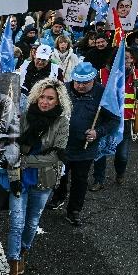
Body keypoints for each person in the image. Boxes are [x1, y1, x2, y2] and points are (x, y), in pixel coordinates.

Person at [4, 78, 69, 275]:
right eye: (42, 96)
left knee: (32, 223)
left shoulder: (62, 122)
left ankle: (23, 252)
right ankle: (13, 268)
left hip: (44, 180)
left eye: (50, 98)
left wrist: (26, 161)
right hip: (20, 179)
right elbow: (12, 150)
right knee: (16, 223)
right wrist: (14, 178)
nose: (45, 101)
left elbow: (56, 156)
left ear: (59, 101)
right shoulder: (23, 117)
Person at [54, 63, 119, 226]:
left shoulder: (103, 93)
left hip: (85, 148)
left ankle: (74, 210)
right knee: (59, 175)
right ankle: (59, 197)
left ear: (93, 80)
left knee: (80, 180)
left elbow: (114, 119)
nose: (80, 86)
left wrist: (98, 132)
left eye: (85, 83)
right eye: (77, 82)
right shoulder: (63, 89)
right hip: (62, 144)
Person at [92, 50, 138, 189]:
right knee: (100, 150)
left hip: (125, 120)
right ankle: (98, 180)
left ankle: (120, 173)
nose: (125, 60)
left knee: (122, 155)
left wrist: (136, 81)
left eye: (128, 58)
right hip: (104, 118)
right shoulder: (102, 73)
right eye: (122, 57)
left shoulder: (137, 74)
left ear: (133, 60)